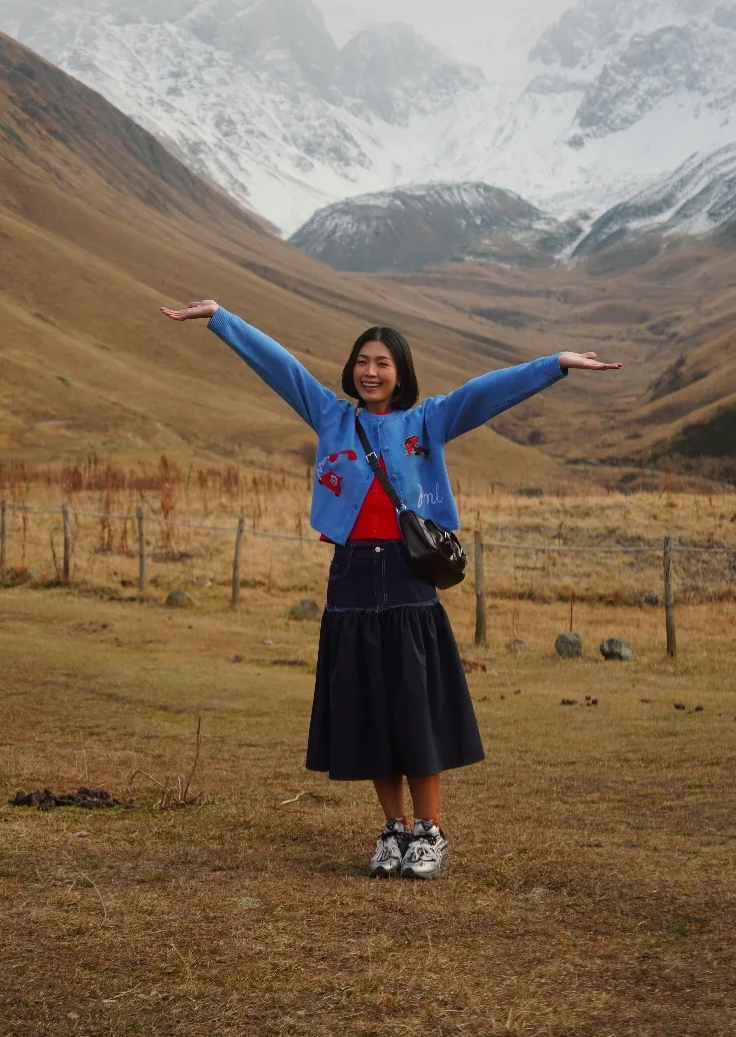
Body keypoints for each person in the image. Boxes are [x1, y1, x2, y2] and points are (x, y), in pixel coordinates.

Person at [161, 298, 621, 879]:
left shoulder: (427, 421)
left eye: (381, 362)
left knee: (415, 711)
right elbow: (281, 367)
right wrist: (222, 318)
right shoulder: (330, 415)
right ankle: (393, 832)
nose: (370, 372)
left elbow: (484, 392)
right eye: (361, 361)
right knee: (372, 710)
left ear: (400, 371)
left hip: (408, 580)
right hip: (351, 580)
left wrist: (554, 363)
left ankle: (429, 833)